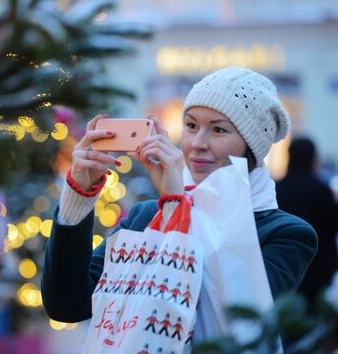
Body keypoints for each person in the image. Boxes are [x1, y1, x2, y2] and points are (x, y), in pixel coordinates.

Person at [41, 67, 317, 330]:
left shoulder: (287, 233)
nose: (197, 142)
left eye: (218, 129)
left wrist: (176, 206)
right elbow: (69, 305)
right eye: (191, 125)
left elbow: (228, 317)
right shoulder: (145, 216)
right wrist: (78, 194)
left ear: (252, 146)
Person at [276, 137, 338, 310]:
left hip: (286, 263)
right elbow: (333, 223)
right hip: (318, 265)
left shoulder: (278, 188)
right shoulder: (320, 189)